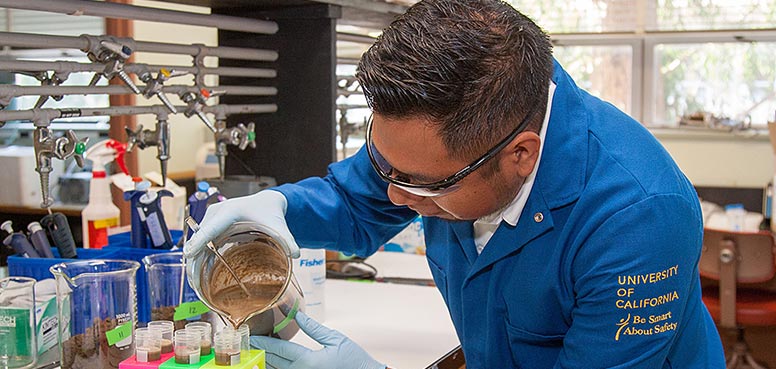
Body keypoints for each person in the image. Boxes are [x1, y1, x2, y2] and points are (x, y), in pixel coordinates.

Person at [185, 0, 726, 367]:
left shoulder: (639, 218)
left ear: (521, 155)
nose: (395, 195)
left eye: (422, 186)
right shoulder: (453, 138)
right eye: (385, 164)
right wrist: (275, 204)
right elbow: (354, 201)